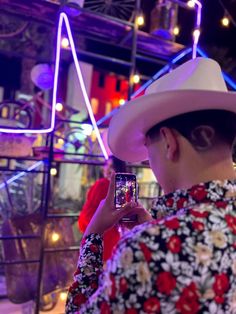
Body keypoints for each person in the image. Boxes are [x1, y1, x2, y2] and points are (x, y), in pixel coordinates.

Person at [66, 57, 236, 313]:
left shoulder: (149, 250)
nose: (151, 165)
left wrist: (93, 236)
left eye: (148, 151)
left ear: (169, 142)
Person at [78, 155, 126, 261]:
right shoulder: (122, 187)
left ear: (118, 169)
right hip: (114, 236)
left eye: (112, 166)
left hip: (97, 235)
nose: (107, 169)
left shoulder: (101, 184)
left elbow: (88, 214)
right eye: (106, 165)